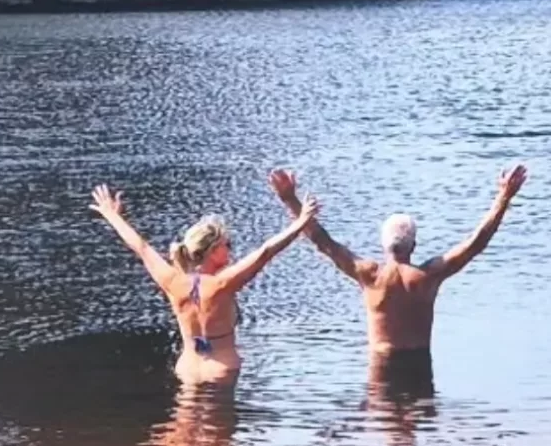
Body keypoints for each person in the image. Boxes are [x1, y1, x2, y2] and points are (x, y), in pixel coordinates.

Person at [269, 164, 527, 361]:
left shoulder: (369, 276)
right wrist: (503, 198)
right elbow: (475, 243)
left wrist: (290, 199)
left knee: (386, 426)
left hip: (382, 365)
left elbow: (323, 241)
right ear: (413, 245)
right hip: (419, 364)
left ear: (383, 244)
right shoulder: (428, 276)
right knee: (416, 426)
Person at [90, 181, 320, 386]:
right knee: (218, 433)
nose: (231, 248)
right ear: (212, 251)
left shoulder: (172, 281)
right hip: (221, 370)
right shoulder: (223, 283)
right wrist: (300, 223)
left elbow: (141, 247)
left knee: (181, 432)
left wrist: (112, 216)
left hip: (187, 369)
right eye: (226, 244)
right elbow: (265, 252)